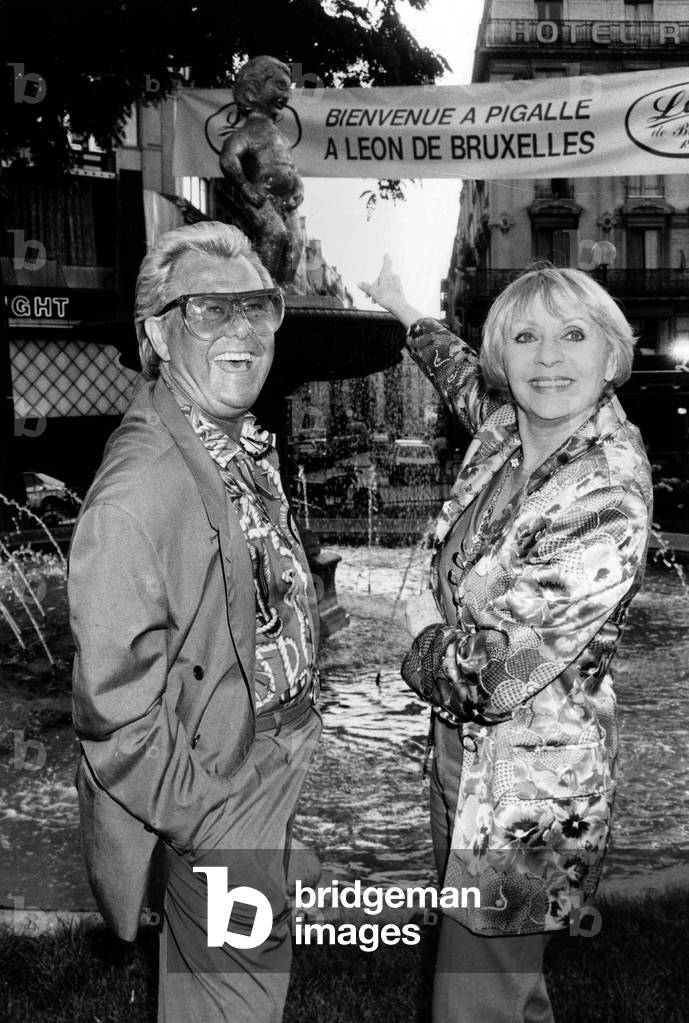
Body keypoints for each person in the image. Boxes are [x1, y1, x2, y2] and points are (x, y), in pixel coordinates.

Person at [360, 258, 652, 1022]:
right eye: (524, 337)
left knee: (474, 1000)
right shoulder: (507, 431)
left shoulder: (605, 492)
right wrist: (402, 308)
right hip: (467, 761)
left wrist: (419, 629)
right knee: (501, 987)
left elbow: (502, 676)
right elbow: (461, 375)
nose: (547, 357)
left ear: (609, 355)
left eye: (571, 335)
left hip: (529, 794)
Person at [70, 221, 322, 1023]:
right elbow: (114, 710)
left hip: (260, 756)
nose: (242, 330)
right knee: (237, 1000)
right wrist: (209, 812)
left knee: (214, 994)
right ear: (155, 331)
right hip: (219, 785)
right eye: (208, 311)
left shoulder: (220, 435)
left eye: (256, 306)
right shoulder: (140, 489)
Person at [220, 55, 304, 286]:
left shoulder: (279, 135)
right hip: (259, 197)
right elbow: (229, 158)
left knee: (296, 241)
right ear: (252, 91)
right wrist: (245, 187)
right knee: (274, 234)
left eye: (287, 89)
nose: (285, 95)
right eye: (279, 86)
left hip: (286, 200)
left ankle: (286, 285)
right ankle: (263, 284)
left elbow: (291, 167)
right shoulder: (246, 134)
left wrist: (299, 187)